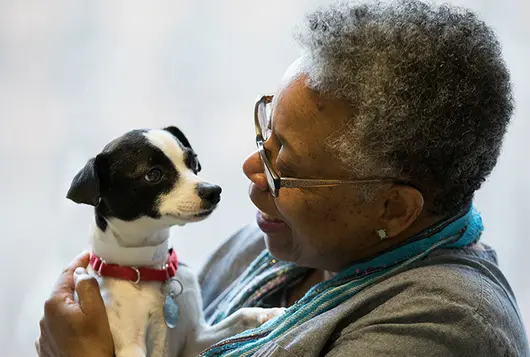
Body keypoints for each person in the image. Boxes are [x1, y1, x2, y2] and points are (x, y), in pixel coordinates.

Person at [36, 0, 530, 356]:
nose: (252, 168)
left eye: (285, 167)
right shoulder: (273, 242)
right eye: (265, 133)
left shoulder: (441, 329)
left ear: (393, 209)